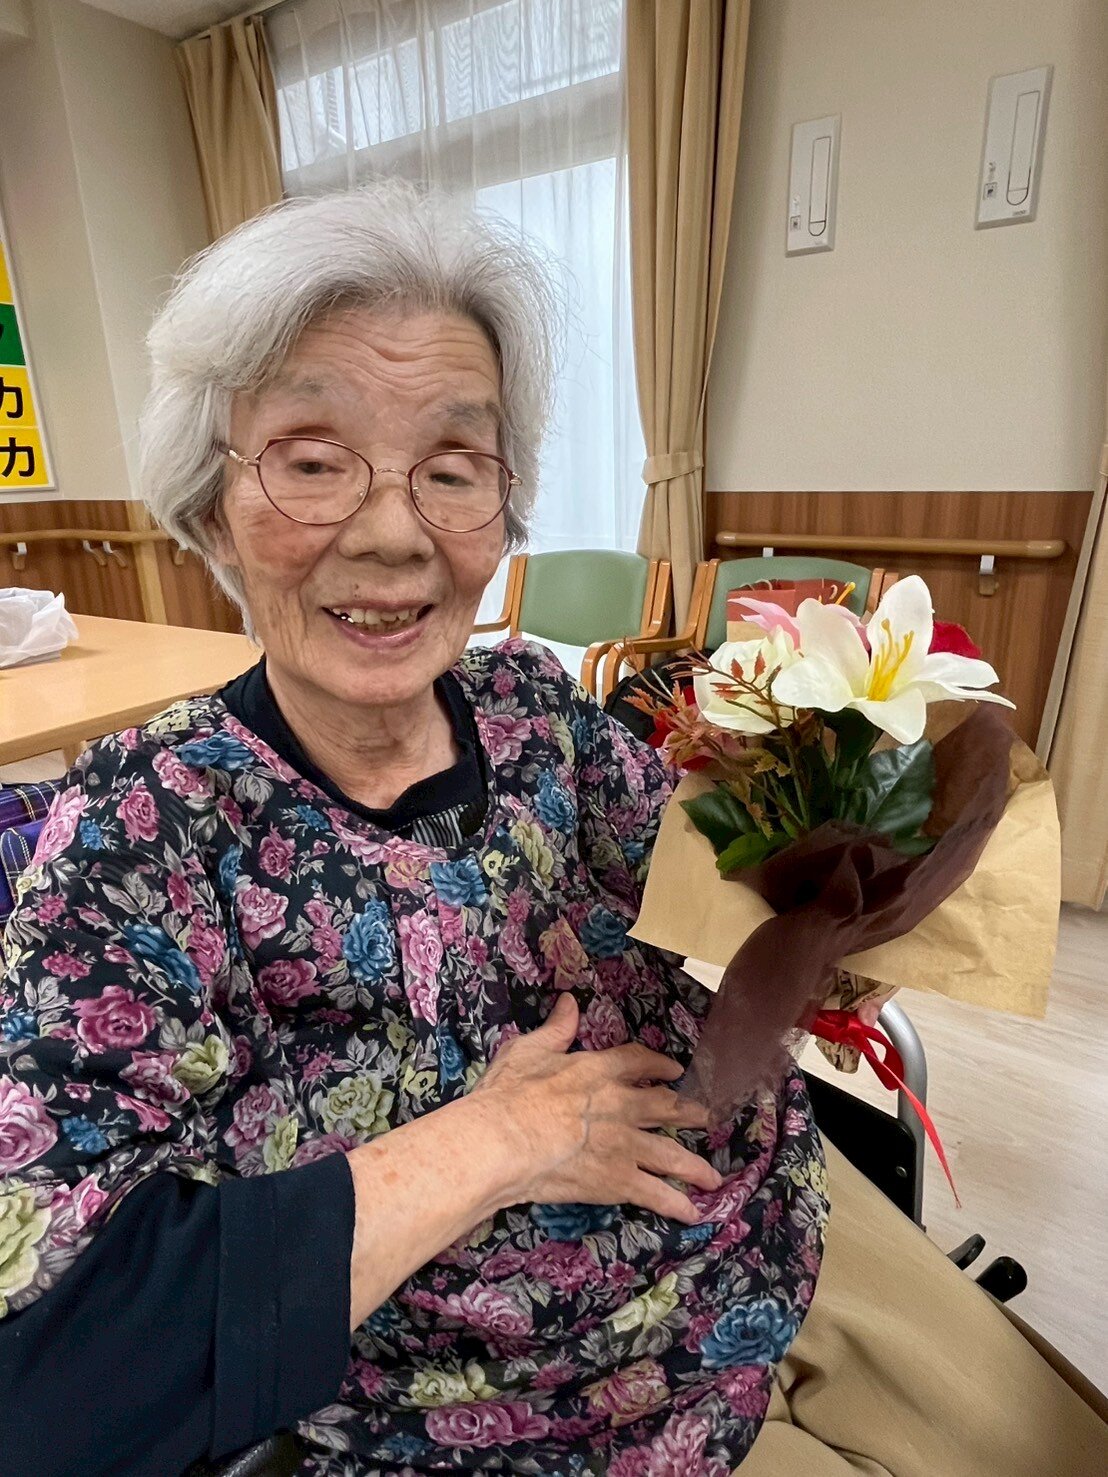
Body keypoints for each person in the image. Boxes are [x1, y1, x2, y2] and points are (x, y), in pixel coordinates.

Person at [0, 184, 1104, 1477]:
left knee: (1054, 1445)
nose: (392, 532)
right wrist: (497, 1140)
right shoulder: (144, 836)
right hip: (539, 1409)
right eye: (311, 459)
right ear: (208, 506)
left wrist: (849, 873)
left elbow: (724, 890)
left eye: (452, 469)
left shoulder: (536, 714)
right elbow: (49, 1378)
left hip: (774, 1215)